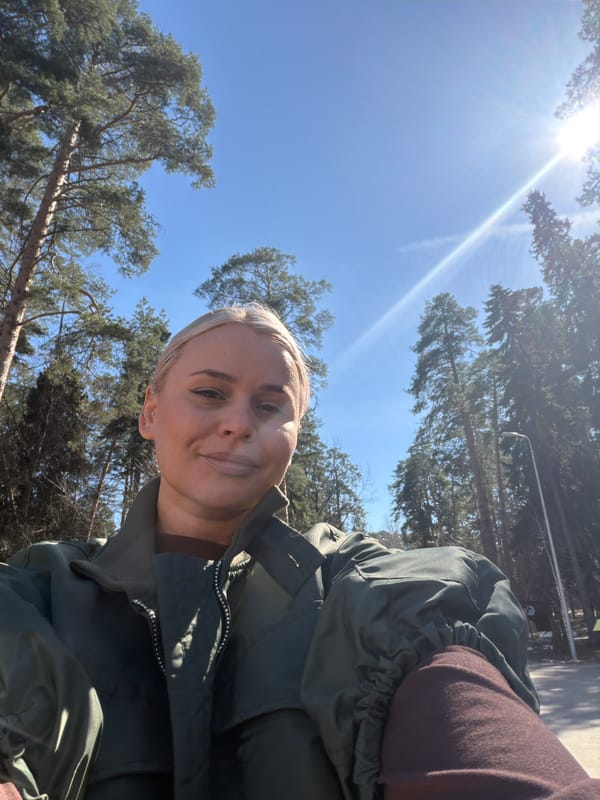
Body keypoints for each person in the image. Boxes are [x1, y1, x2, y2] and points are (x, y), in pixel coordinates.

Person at [0, 303, 598, 800]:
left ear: (294, 435)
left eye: (269, 405)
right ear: (150, 412)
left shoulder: (355, 582)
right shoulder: (38, 592)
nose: (238, 422)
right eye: (209, 392)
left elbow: (447, 683)